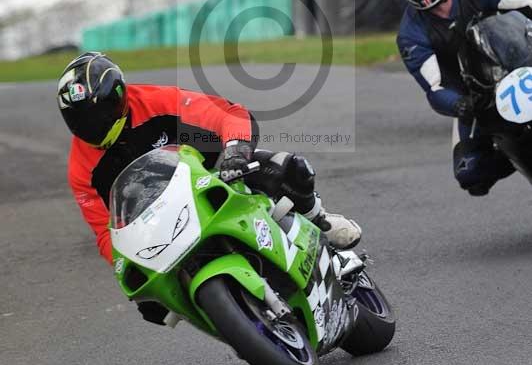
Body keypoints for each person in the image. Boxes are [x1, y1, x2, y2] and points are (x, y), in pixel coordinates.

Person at [57, 52, 361, 323]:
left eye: (98, 113)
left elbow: (226, 114)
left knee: (289, 167)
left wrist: (236, 152)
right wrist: (135, 270)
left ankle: (319, 220)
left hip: (218, 173)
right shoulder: (81, 167)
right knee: (155, 305)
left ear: (119, 97)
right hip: (163, 219)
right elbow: (104, 231)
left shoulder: (156, 101)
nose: (91, 125)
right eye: (79, 119)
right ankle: (235, 317)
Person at [390, 0, 532, 196]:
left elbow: (525, 1)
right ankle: (511, 153)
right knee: (471, 174)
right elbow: (434, 88)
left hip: (520, 64)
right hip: (476, 95)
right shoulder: (410, 34)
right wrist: (461, 105)